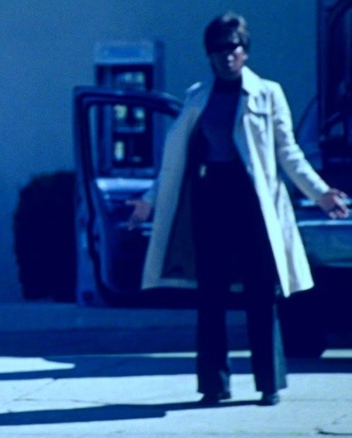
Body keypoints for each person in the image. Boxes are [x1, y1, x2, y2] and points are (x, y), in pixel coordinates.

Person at [127, 12, 349, 407]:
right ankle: (213, 384)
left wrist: (320, 193)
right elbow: (173, 159)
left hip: (255, 203)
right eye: (219, 49)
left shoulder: (267, 93)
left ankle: (269, 384)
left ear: (245, 52)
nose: (227, 56)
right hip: (212, 198)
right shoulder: (199, 94)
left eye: (233, 48)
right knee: (210, 297)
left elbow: (288, 152)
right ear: (210, 55)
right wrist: (149, 199)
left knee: (261, 295)